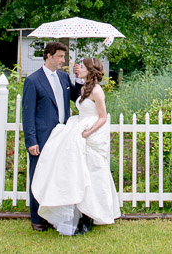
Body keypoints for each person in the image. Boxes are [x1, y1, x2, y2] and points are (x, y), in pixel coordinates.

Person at [31, 57, 121, 236]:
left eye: (82, 67)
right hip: (78, 128)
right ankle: (79, 213)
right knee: (77, 172)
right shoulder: (84, 89)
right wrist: (77, 77)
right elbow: (77, 96)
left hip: (90, 133)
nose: (78, 68)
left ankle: (88, 217)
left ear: (90, 70)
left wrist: (88, 132)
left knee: (92, 174)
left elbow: (102, 117)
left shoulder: (97, 91)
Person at [21, 41, 82, 231]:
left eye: (64, 57)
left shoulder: (64, 78)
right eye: (60, 57)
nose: (63, 61)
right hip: (43, 137)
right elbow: (28, 113)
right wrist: (31, 140)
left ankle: (53, 215)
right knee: (38, 176)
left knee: (57, 177)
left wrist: (79, 79)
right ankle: (37, 218)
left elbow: (77, 97)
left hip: (63, 136)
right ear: (48, 56)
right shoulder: (33, 80)